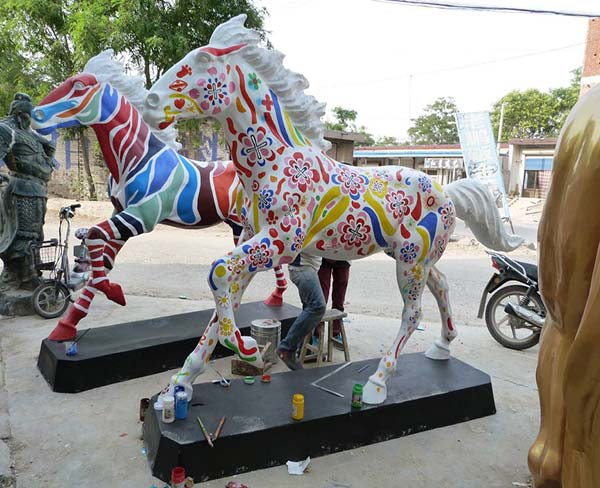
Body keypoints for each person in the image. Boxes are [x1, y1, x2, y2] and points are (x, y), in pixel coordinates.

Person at [0, 93, 55, 291]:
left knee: (35, 234)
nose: (30, 119)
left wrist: (47, 156)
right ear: (20, 114)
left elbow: (49, 148)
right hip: (21, 190)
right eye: (28, 115)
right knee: (22, 235)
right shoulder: (6, 129)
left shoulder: (29, 133)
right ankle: (17, 277)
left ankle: (30, 274)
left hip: (37, 189)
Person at [276, 252, 326, 370]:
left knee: (308, 308)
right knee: (317, 306)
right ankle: (287, 348)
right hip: (302, 268)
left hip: (307, 267)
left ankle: (303, 351)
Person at [318, 259, 350, 349]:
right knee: (321, 300)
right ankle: (316, 334)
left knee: (339, 299)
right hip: (322, 255)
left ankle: (335, 332)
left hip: (343, 256)